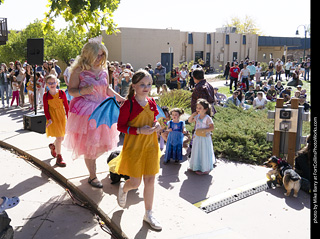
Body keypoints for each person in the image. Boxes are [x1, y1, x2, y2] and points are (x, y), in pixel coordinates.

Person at [65, 36, 126, 188]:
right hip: (86, 112)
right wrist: (83, 90)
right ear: (88, 55)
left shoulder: (104, 69)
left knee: (102, 146)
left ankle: (92, 168)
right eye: (97, 55)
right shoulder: (79, 70)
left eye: (102, 55)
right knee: (89, 147)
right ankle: (92, 176)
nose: (100, 58)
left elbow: (107, 89)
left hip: (103, 109)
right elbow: (71, 91)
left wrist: (121, 98)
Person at [108, 69, 162, 230]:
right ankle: (124, 188)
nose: (146, 87)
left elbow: (154, 119)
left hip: (151, 145)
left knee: (150, 180)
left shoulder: (151, 102)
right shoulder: (128, 105)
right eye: (142, 84)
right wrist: (138, 130)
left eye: (149, 84)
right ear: (134, 86)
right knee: (136, 183)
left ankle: (149, 213)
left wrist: (157, 125)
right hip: (134, 147)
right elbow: (121, 127)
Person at [43, 74, 69, 167]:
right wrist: (49, 119)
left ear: (57, 83)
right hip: (53, 119)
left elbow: (66, 106)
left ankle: (53, 146)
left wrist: (68, 118)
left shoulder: (62, 93)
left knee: (61, 138)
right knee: (59, 138)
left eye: (53, 82)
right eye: (50, 83)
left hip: (61, 117)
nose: (52, 84)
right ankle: (59, 157)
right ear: (46, 84)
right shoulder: (46, 95)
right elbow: (46, 109)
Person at [188, 98, 215, 175]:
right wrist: (193, 115)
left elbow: (212, 128)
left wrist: (204, 130)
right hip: (197, 137)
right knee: (196, 150)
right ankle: (195, 166)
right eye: (197, 107)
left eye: (200, 108)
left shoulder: (207, 118)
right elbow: (190, 121)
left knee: (204, 151)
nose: (198, 109)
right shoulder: (197, 116)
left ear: (205, 109)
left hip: (204, 137)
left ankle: (205, 168)